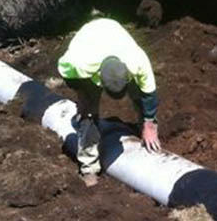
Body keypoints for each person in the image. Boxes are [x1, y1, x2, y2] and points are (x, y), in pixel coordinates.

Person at [58, 18, 161, 185]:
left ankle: (143, 131)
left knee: (140, 99)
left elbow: (149, 93)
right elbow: (64, 70)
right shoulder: (80, 64)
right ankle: (89, 168)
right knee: (88, 115)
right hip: (90, 39)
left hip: (113, 32)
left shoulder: (137, 61)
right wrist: (81, 95)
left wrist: (150, 123)